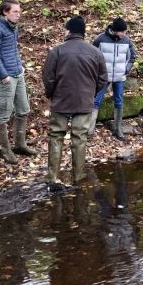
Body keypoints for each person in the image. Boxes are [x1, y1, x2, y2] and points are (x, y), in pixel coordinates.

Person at [42, 16, 108, 187]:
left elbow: (48, 77)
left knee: (56, 136)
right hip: (84, 101)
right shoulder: (96, 52)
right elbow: (103, 79)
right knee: (80, 138)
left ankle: (52, 177)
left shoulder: (57, 51)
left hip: (61, 100)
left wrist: (51, 94)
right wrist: (91, 94)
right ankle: (78, 177)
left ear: (69, 31)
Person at [0, 0, 35, 164]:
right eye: (15, 12)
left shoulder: (13, 27)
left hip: (17, 74)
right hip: (4, 78)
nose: (18, 15)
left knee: (23, 109)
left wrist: (20, 67)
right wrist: (3, 75)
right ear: (5, 12)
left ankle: (20, 144)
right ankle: (5, 150)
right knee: (3, 114)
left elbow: (13, 49)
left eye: (19, 12)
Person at [88, 17, 136, 139]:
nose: (125, 34)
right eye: (123, 32)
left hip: (120, 77)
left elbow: (132, 57)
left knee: (119, 102)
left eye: (125, 32)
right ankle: (89, 131)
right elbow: (92, 56)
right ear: (115, 30)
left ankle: (118, 130)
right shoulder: (100, 39)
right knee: (96, 101)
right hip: (104, 77)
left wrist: (126, 69)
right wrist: (98, 72)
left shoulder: (127, 40)